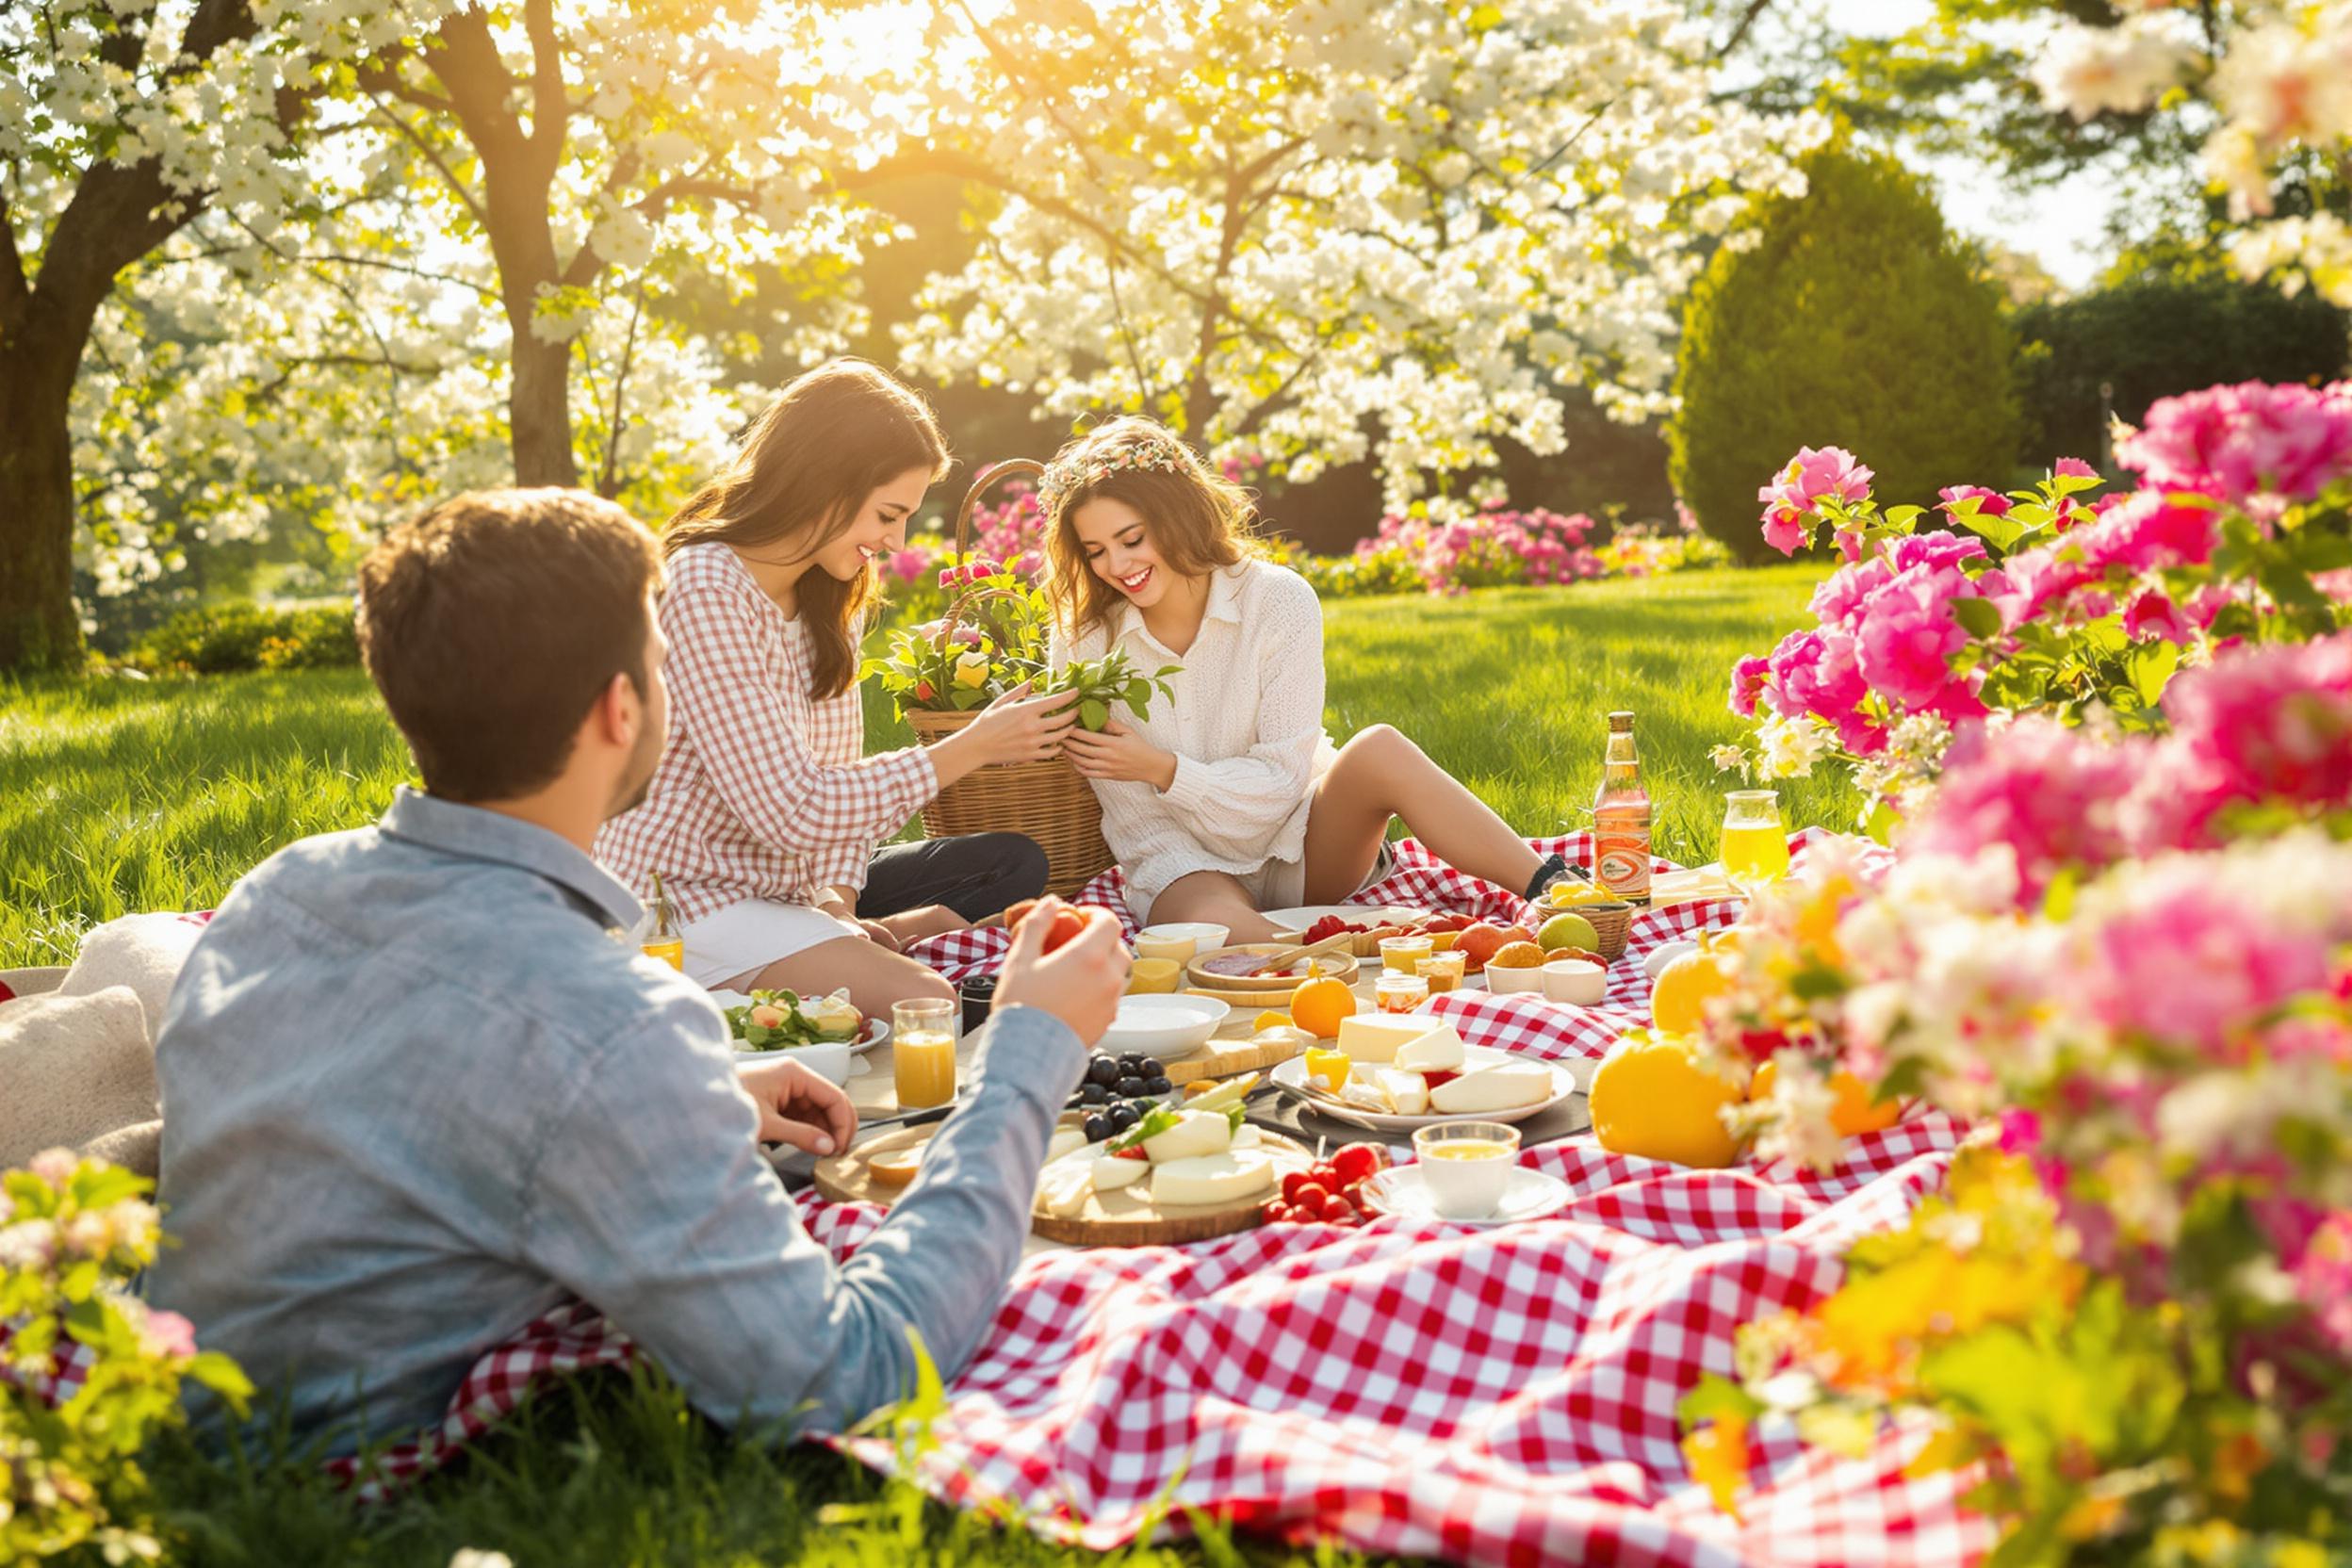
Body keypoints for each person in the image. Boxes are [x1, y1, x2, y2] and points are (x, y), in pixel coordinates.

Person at [146, 488, 1126, 1455]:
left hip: (184, 1403)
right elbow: (842, 1371)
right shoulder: (609, 1024)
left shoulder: (275, 894)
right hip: (318, 1477)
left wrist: (696, 1089)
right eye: (665, 671)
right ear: (623, 708)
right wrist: (1029, 1046)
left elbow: (417, 1081)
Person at [597, 360, 1078, 1013]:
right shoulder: (705, 587)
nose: (896, 539)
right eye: (888, 513)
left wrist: (835, 903)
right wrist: (971, 746)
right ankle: (716, 995)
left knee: (1011, 865)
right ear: (826, 481)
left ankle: (832, 947)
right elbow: (793, 809)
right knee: (928, 1003)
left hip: (779, 890)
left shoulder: (832, 599)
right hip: (681, 899)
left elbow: (838, 783)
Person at [1043, 418, 1576, 943]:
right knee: (1233, 938)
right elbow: (1134, 819)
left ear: (1176, 515)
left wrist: (1165, 769)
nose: (1117, 564)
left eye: (1131, 539)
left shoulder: (1278, 599)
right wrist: (1163, 807)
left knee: (1381, 749)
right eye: (1095, 551)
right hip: (1186, 869)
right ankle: (1348, 951)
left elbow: (1281, 779)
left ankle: (1558, 891)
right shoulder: (1085, 639)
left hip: (1302, 842)